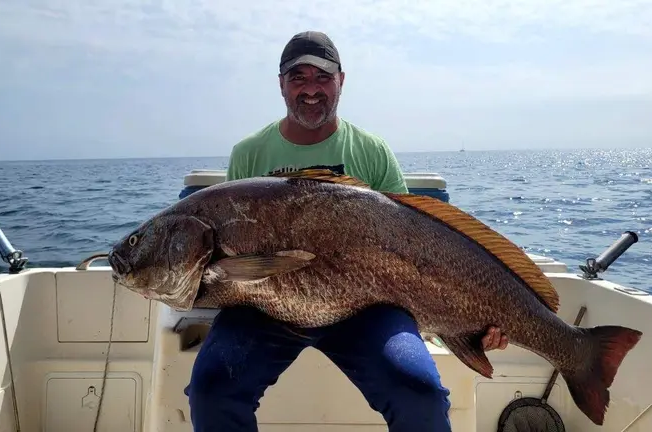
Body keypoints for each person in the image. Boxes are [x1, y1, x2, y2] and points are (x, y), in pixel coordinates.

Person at [183, 30, 509, 431]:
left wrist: (474, 319)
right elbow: (232, 258)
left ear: (341, 80)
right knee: (211, 389)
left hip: (364, 310)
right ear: (281, 84)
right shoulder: (249, 153)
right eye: (298, 78)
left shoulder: (371, 151)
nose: (311, 90)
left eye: (322, 77)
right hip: (265, 309)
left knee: (419, 390)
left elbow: (417, 247)